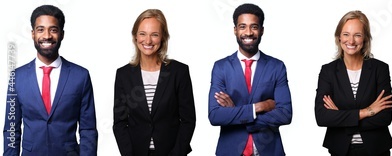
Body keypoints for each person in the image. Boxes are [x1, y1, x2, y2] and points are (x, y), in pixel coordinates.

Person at [3, 5, 97, 156]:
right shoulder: (17, 77)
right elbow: (11, 130)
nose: (46, 36)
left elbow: (88, 130)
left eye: (53, 30)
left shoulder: (80, 76)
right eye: (40, 29)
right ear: (33, 34)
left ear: (62, 34)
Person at [207, 3, 292, 156]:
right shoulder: (220, 67)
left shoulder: (277, 67)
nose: (248, 32)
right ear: (235, 30)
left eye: (254, 27)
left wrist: (235, 114)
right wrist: (260, 106)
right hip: (230, 151)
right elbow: (215, 116)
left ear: (261, 30)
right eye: (242, 26)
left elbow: (285, 114)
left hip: (269, 151)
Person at [112, 9, 196, 156]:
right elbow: (119, 123)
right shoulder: (123, 75)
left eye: (154, 35)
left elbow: (188, 120)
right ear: (135, 37)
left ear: (163, 38)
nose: (148, 41)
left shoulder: (179, 72)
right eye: (142, 34)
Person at [314, 10, 392, 156]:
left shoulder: (380, 69)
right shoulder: (328, 71)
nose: (351, 41)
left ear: (365, 39)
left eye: (357, 35)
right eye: (346, 34)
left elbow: (385, 116)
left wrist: (340, 117)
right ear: (339, 37)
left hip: (376, 150)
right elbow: (322, 117)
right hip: (340, 150)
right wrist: (366, 112)